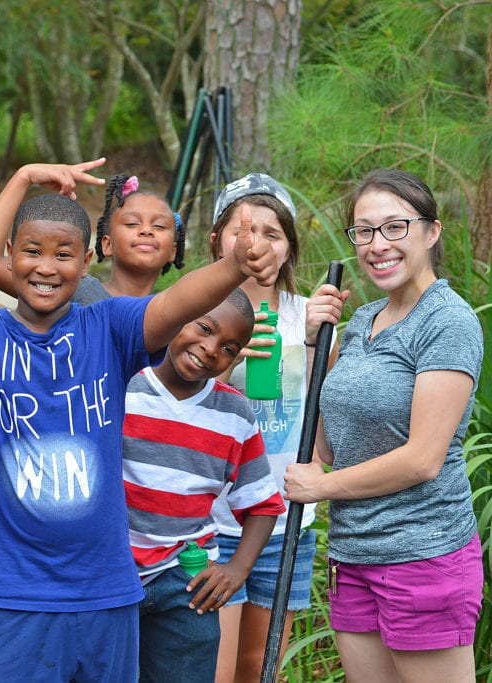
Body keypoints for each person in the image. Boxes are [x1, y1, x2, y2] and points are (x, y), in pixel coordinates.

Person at [0, 158, 279, 682]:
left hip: (102, 590)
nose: (47, 266)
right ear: (11, 257)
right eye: (32, 252)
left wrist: (234, 267)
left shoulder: (109, 327)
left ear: (86, 262)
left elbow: (178, 303)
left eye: (64, 254)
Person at [285, 169, 483, 683]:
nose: (377, 245)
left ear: (431, 232)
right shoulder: (360, 322)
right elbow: (329, 446)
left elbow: (423, 459)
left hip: (424, 556)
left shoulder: (448, 322)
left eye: (395, 227)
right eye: (364, 231)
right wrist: (314, 347)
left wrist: (321, 490)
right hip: (354, 557)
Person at [123, 289, 285, 683]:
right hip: (111, 576)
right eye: (204, 328)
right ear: (179, 315)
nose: (211, 349)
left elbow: (262, 503)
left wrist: (238, 568)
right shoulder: (123, 386)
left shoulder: (235, 414)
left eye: (229, 347)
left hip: (186, 583)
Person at [204, 174, 317, 683]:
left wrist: (316, 342)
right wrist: (227, 360)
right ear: (217, 240)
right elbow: (180, 409)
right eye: (244, 229)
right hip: (214, 523)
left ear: (289, 246)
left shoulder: (307, 316)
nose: (258, 242)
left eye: (273, 232)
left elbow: (321, 420)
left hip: (284, 521)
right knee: (214, 667)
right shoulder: (198, 313)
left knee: (260, 667)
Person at [0, 160, 185, 303]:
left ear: (173, 251)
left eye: (159, 226)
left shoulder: (172, 311)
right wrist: (24, 177)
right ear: (107, 244)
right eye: (132, 224)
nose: (146, 230)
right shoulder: (73, 288)